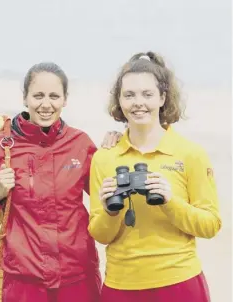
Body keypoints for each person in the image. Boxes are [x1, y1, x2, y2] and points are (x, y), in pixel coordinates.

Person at [0, 62, 123, 302]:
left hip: (77, 275)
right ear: (25, 98)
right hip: (24, 280)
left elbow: (106, 195)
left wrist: (117, 151)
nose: (46, 105)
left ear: (65, 100)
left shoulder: (80, 143)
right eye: (38, 96)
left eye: (54, 96)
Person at [88, 51, 222, 302]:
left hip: (179, 282)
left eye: (147, 94)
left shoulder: (190, 154)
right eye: (129, 95)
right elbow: (100, 234)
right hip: (121, 285)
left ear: (162, 98)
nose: (138, 102)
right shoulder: (105, 157)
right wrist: (110, 211)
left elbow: (210, 225)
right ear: (119, 101)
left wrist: (170, 201)